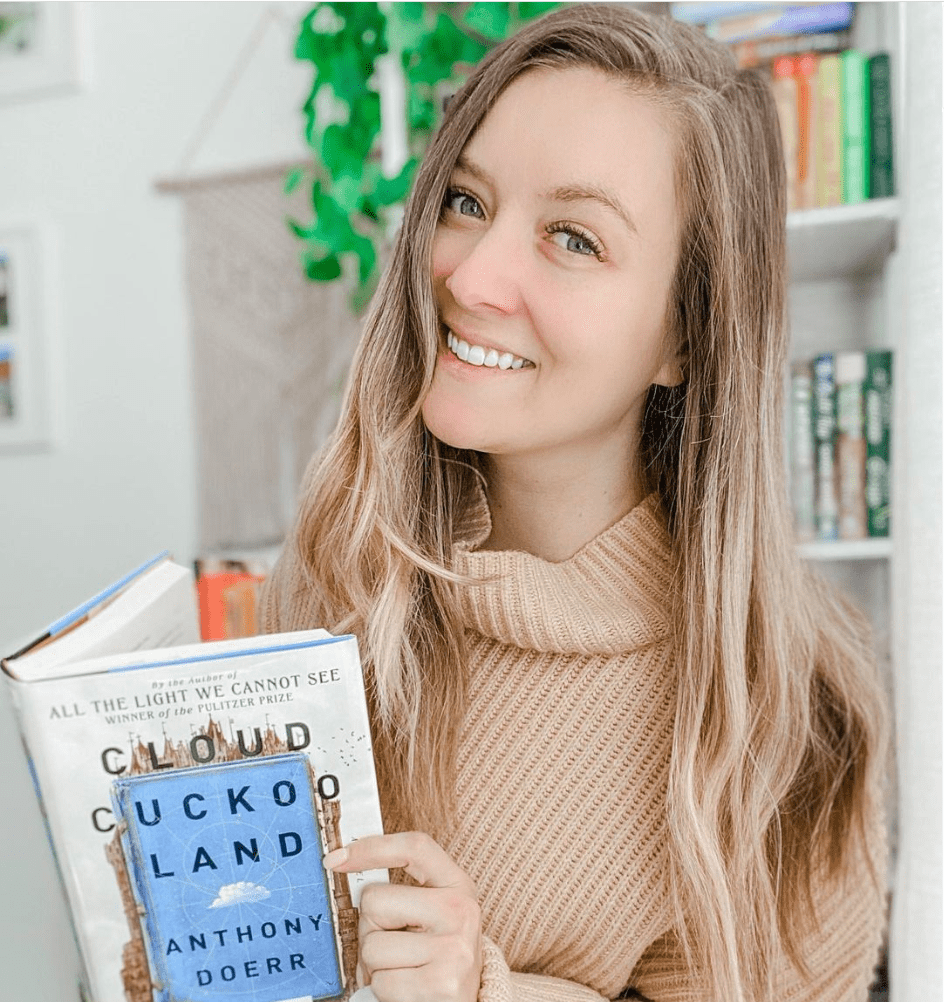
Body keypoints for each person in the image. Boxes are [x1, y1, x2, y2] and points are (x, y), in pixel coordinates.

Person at [260, 5, 889, 1000]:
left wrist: (487, 992)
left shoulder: (780, 712)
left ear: (685, 334)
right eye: (465, 202)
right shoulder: (338, 569)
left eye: (572, 238)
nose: (472, 275)